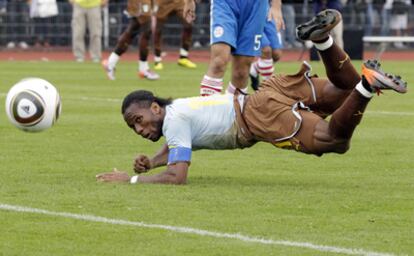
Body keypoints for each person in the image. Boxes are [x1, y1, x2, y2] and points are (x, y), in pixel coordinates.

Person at [96, 10, 407, 185]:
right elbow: (179, 143)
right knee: (343, 90)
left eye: (138, 120)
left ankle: (368, 86)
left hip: (257, 116)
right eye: (133, 128)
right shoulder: (177, 114)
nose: (139, 130)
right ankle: (322, 42)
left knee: (334, 141)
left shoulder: (174, 121)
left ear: (155, 107)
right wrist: (152, 162)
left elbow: (177, 176)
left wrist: (131, 181)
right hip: (266, 91)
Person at [183, 0, 283, 96]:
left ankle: (233, 111)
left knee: (241, 73)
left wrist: (276, 5)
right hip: (225, 3)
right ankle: (209, 111)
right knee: (219, 62)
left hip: (257, 6)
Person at [102, 0, 159, 80]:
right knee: (146, 31)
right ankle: (143, 69)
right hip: (141, 2)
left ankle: (111, 62)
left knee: (132, 30)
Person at [150, 0, 197, 71]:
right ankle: (157, 60)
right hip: (163, 2)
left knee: (188, 24)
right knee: (158, 29)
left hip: (179, 2)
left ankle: (183, 57)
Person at [249, 17, 283, 91]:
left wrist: (277, 11)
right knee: (266, 50)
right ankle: (268, 88)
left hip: (267, 14)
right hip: (252, 15)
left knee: (276, 54)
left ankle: (254, 68)